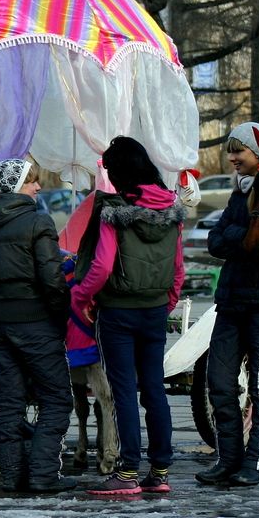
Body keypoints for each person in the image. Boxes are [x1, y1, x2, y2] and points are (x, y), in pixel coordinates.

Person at [71, 136, 185, 496]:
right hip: (153, 311)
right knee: (154, 389)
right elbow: (178, 268)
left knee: (123, 392)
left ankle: (126, 474)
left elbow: (102, 265)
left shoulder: (114, 210)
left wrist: (79, 295)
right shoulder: (171, 210)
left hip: (117, 311)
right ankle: (160, 472)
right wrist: (165, 303)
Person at [0, 158, 75, 493]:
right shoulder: (38, 221)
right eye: (31, 182)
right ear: (16, 188)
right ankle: (42, 474)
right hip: (38, 322)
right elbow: (52, 279)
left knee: (10, 401)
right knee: (56, 399)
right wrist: (59, 316)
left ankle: (12, 476)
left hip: (1, 325)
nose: (38, 187)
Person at [196, 122, 259, 487]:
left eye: (240, 151)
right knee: (218, 382)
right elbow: (216, 240)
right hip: (231, 301)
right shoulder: (239, 194)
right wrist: (244, 237)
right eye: (231, 150)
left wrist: (242, 239)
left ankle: (258, 464)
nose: (233, 157)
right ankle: (228, 459)